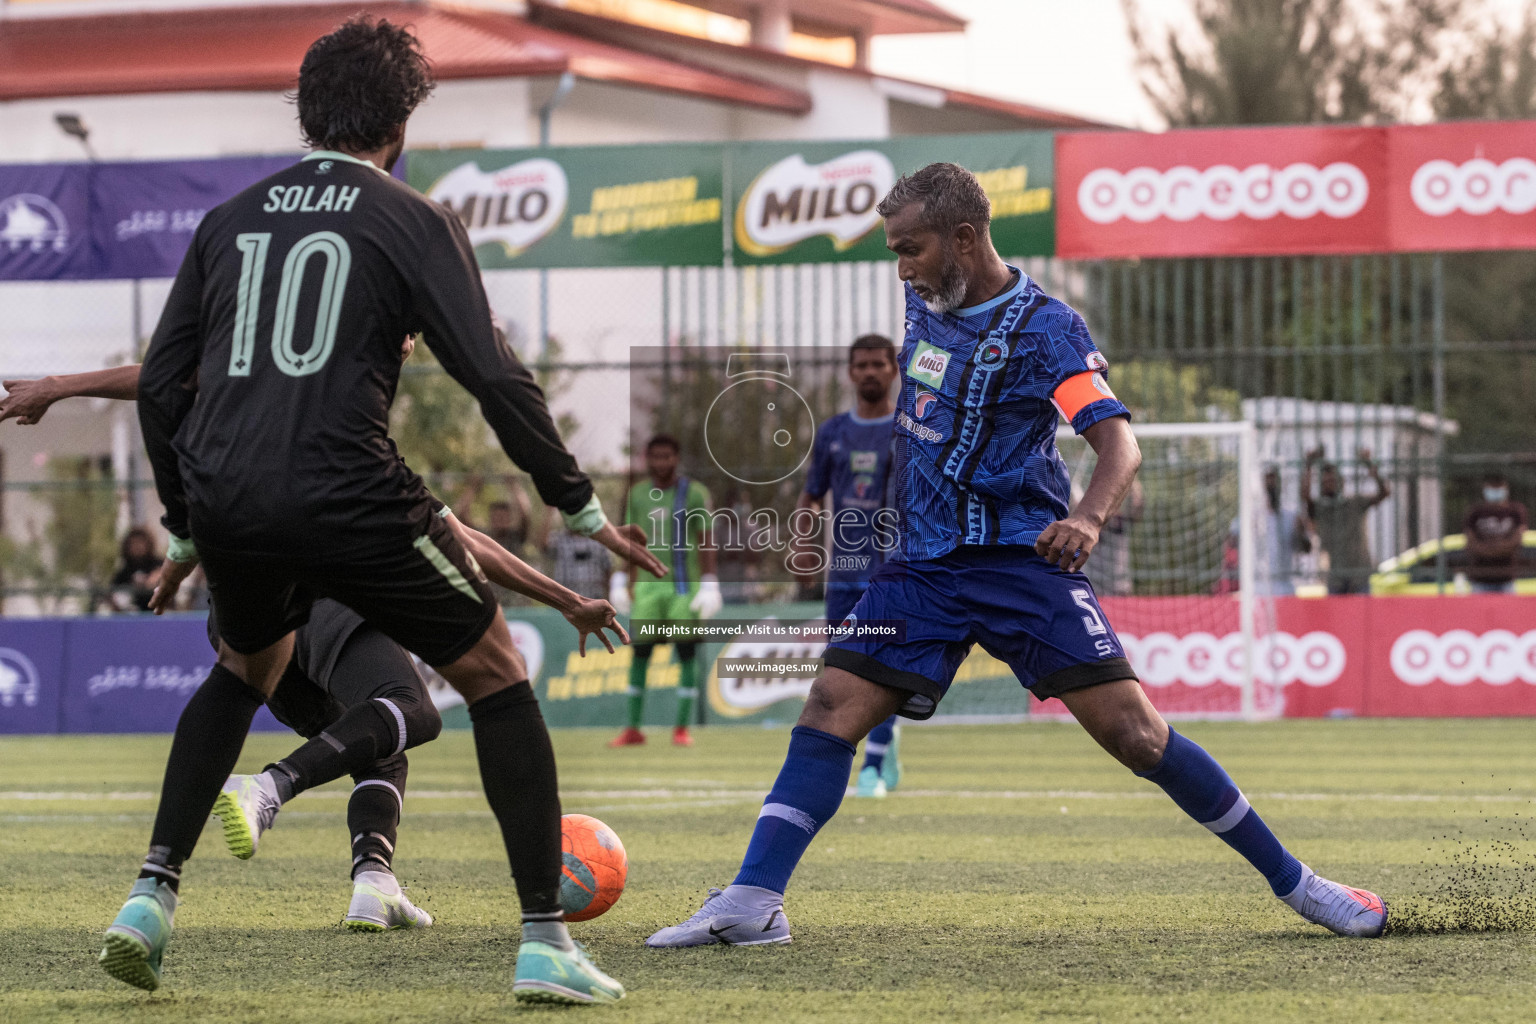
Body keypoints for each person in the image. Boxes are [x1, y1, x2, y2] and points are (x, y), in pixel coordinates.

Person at [646, 162, 1386, 950]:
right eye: (895, 251)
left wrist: (1090, 517)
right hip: (922, 566)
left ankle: (1302, 886)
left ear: (965, 238)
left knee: (1138, 737)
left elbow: (1117, 442)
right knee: (830, 706)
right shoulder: (925, 293)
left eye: (913, 248)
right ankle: (754, 900)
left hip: (1019, 562)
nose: (902, 267)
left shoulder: (1047, 331)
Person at [95, 18, 636, 1002]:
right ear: (402, 120)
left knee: (244, 670)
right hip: (349, 490)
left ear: (308, 110)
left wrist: (185, 516)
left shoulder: (229, 219)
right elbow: (495, 376)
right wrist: (580, 507)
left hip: (230, 499)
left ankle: (149, 897)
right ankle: (545, 941)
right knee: (497, 673)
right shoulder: (409, 217)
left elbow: (166, 385)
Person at [5, 358, 634, 934]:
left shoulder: (265, 402)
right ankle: (270, 787)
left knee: (374, 737)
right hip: (324, 588)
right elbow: (464, 538)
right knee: (410, 710)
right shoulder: (341, 407)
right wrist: (567, 598)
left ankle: (372, 882)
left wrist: (61, 389)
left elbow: (169, 376)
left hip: (240, 614)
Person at [795, 334, 902, 798]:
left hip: (897, 571)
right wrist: (802, 543)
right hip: (843, 574)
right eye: (861, 365)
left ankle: (872, 768)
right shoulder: (833, 432)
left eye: (879, 364)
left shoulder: (909, 428)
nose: (870, 372)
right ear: (850, 372)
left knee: (887, 667)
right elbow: (812, 494)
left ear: (894, 370)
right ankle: (882, 744)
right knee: (840, 673)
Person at [608, 434, 721, 747]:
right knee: (640, 654)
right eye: (655, 456)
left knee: (686, 654)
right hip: (646, 590)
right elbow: (627, 540)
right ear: (647, 458)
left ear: (677, 458)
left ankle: (681, 729)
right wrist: (620, 578)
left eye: (667, 456)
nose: (661, 463)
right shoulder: (637, 494)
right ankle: (633, 728)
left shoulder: (695, 493)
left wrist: (710, 581)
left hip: (684, 589)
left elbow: (706, 538)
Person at [1303, 447, 1390, 595]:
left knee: (1363, 617)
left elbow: (1384, 492)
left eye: (1332, 480)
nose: (1328, 484)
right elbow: (1304, 495)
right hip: (1335, 578)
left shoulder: (1355, 503)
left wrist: (1369, 464)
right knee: (1336, 618)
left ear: (1341, 482)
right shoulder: (1320, 509)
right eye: (1325, 482)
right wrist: (1309, 465)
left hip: (1360, 576)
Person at [1463, 472, 1527, 594]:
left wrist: (1489, 548)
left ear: (1506, 489)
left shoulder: (1516, 511)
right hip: (1479, 579)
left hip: (1506, 578)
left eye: (1498, 487)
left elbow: (1517, 540)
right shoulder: (1475, 512)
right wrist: (1497, 548)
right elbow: (1470, 542)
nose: (1495, 491)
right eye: (1492, 487)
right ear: (1485, 489)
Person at [109, 527, 163, 612]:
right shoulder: (124, 572)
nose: (137, 547)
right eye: (133, 543)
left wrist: (150, 581)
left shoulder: (158, 564)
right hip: (132, 616)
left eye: (140, 543)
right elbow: (113, 593)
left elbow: (164, 576)